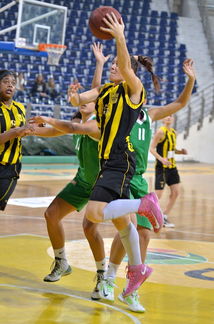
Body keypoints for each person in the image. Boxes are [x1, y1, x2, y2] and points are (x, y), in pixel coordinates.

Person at [31, 14, 164, 299]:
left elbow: (126, 67)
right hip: (108, 164)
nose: (115, 66)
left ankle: (144, 203)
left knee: (94, 216)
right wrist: (77, 94)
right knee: (120, 223)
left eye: (117, 65)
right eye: (113, 65)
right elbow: (79, 102)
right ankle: (136, 270)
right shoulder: (105, 91)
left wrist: (119, 37)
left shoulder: (133, 91)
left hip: (121, 159)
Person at [82, 44, 196, 311]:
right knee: (124, 228)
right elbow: (98, 95)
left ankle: (132, 288)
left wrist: (190, 81)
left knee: (143, 234)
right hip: (120, 170)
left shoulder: (149, 114)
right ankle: (108, 279)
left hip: (138, 178)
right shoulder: (116, 105)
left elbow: (180, 103)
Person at [29, 100, 100, 282]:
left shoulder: (98, 124)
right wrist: (24, 129)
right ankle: (61, 262)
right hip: (83, 182)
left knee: (90, 228)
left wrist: (47, 119)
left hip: (104, 185)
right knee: (51, 214)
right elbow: (51, 131)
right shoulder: (77, 124)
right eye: (81, 100)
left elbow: (61, 126)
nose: (83, 102)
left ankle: (103, 275)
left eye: (88, 100)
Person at [0, 70, 34, 211]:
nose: (10, 86)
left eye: (13, 83)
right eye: (6, 82)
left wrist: (30, 129)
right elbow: (16, 132)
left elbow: (22, 131)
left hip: (11, 167)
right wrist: (15, 132)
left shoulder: (20, 108)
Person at [150, 115, 188, 227]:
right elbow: (151, 148)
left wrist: (181, 152)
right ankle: (147, 214)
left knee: (176, 192)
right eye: (166, 116)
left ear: (173, 119)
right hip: (162, 168)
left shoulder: (173, 133)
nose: (169, 118)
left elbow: (172, 149)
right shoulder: (160, 132)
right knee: (158, 194)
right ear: (162, 119)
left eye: (171, 117)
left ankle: (164, 216)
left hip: (172, 167)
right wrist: (161, 159)